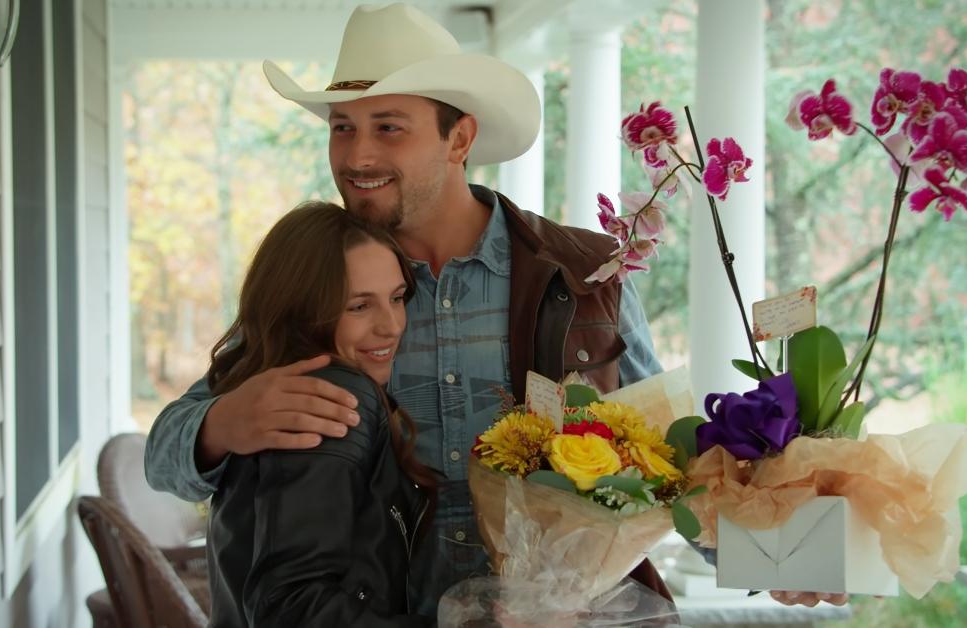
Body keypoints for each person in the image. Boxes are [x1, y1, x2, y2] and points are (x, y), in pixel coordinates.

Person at [147, 1, 845, 615]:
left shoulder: (584, 271)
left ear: (459, 139)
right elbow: (163, 457)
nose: (355, 154)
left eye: (388, 127)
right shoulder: (316, 280)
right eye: (341, 126)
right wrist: (219, 424)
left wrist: (775, 555)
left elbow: (668, 458)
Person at [204, 201, 436, 627]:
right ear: (302, 312)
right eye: (359, 306)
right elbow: (291, 606)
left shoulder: (270, 386)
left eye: (397, 298)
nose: (392, 325)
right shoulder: (331, 399)